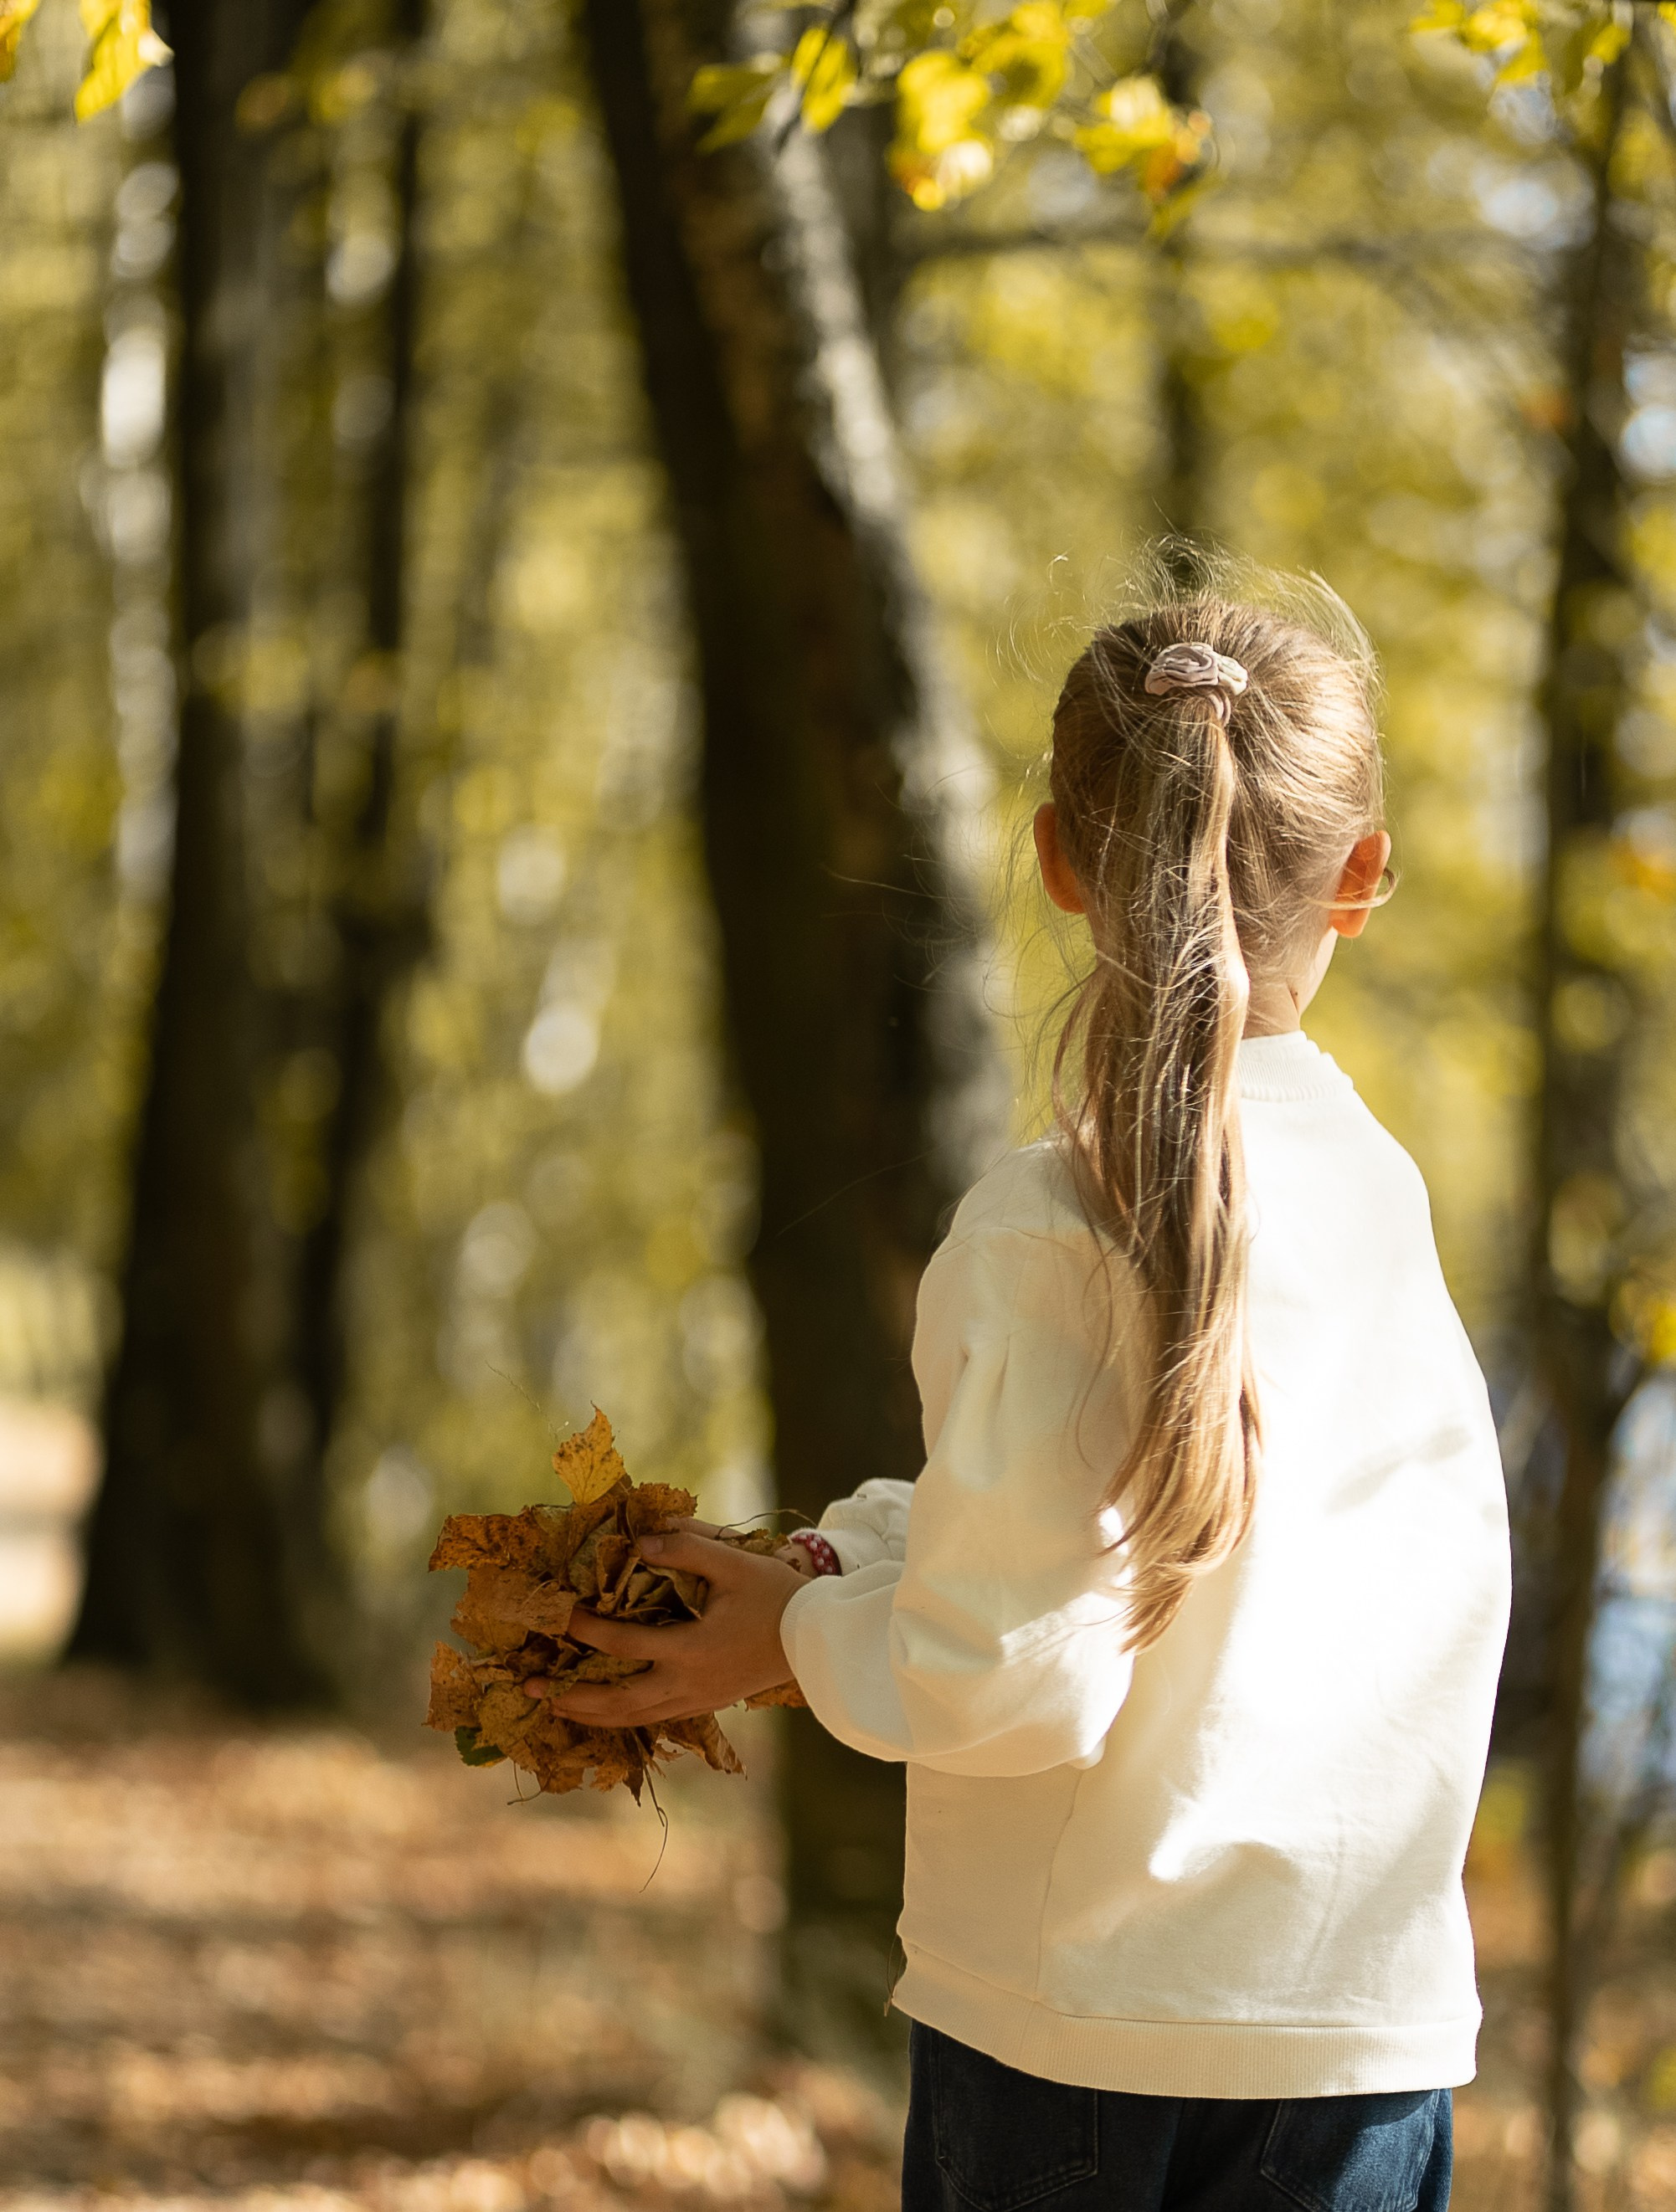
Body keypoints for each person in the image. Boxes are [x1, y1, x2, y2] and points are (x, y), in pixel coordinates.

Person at [529, 576, 1512, 2212]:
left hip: (1077, 2051)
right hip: (1356, 2045)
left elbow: (1012, 1673)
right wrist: (846, 1564)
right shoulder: (1377, 1200)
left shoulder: (1045, 1219)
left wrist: (787, 1626)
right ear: (1358, 878)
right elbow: (1161, 1562)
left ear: (1056, 856)